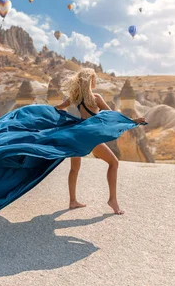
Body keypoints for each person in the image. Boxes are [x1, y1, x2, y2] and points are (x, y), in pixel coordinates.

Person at [54, 68, 147, 214]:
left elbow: (57, 108)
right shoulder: (96, 98)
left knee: (74, 168)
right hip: (90, 135)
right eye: (94, 78)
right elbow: (112, 116)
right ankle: (113, 200)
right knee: (114, 163)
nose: (95, 81)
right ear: (91, 80)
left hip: (76, 134)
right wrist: (132, 121)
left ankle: (72, 201)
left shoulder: (75, 97)